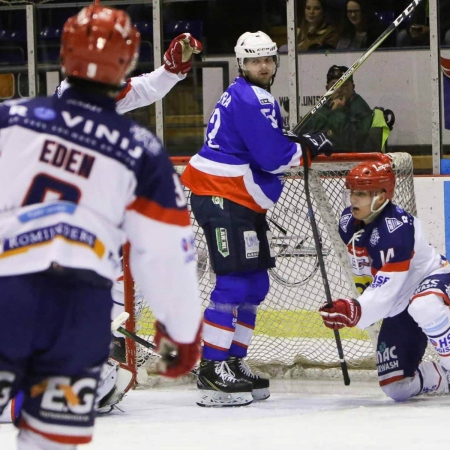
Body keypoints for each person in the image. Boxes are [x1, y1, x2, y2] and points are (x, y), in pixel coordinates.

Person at [0, 5, 202, 449]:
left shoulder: (11, 117)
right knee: (50, 441)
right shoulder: (141, 151)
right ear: (127, 63)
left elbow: (141, 90)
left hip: (7, 294)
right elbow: (165, 255)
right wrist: (182, 331)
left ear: (62, 54)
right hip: (77, 312)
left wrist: (170, 72)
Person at [180, 31, 333, 407]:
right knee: (233, 285)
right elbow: (272, 159)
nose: (262, 66)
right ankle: (211, 370)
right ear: (241, 64)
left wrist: (295, 142)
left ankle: (233, 360)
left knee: (255, 285)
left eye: (267, 59)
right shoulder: (253, 97)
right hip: (221, 196)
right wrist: (306, 149)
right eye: (254, 61)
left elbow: (266, 142)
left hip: (236, 198)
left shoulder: (246, 95)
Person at [319, 160, 450, 402]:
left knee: (424, 306)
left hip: (434, 279)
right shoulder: (348, 222)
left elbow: (388, 285)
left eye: (360, 193)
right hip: (399, 302)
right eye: (351, 192)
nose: (353, 199)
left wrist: (355, 309)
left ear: (380, 196)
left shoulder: (397, 229)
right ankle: (444, 377)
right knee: (396, 388)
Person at [302, 65, 373, 152]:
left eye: (344, 85)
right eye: (334, 85)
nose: (339, 90)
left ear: (353, 87)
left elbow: (351, 145)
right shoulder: (321, 110)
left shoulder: (360, 109)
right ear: (327, 89)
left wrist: (337, 112)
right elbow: (304, 138)